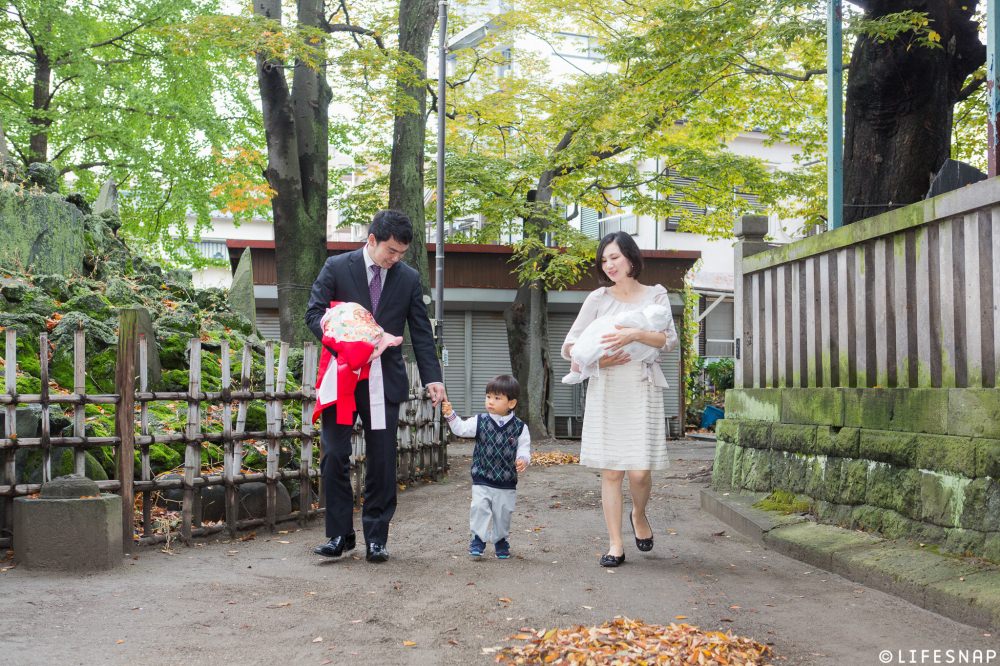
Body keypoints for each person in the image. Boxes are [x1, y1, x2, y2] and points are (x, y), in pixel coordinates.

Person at [305, 209, 446, 563]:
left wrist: (433, 378)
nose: (395, 259)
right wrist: (348, 342)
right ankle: (340, 534)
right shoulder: (337, 268)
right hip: (343, 377)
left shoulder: (408, 278)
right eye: (391, 251)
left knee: (382, 460)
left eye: (401, 254)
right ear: (372, 240)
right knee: (335, 454)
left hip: (384, 381)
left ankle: (377, 537)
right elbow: (314, 314)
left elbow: (421, 333)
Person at [561, 231, 678, 567]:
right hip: (608, 386)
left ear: (630, 257)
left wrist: (634, 334)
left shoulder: (655, 295)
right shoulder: (598, 299)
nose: (608, 264)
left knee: (640, 472)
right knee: (611, 472)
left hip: (642, 385)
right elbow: (571, 345)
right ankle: (615, 545)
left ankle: (638, 515)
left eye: (614, 257)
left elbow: (666, 340)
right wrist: (598, 360)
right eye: (604, 260)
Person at [442, 374, 530, 560]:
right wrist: (451, 415)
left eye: (497, 398)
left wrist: (523, 459)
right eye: (488, 396)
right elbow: (461, 429)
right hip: (482, 477)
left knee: (503, 513)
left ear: (511, 403)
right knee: (479, 508)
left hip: (506, 482)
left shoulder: (520, 428)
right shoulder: (480, 421)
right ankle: (478, 539)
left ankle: (500, 540)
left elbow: (524, 448)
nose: (490, 401)